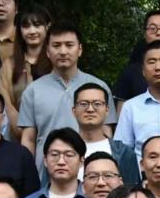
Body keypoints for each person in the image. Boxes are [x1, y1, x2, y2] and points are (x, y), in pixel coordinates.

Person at [18, 22, 112, 165]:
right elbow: (28, 139)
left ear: (79, 49)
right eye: (56, 46)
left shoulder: (99, 87)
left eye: (69, 45)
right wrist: (28, 172)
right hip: (47, 170)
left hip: (90, 169)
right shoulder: (33, 90)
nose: (63, 51)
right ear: (47, 51)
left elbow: (107, 132)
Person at [114, 41, 160, 158]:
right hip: (140, 168)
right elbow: (122, 151)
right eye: (151, 62)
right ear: (143, 70)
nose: (158, 67)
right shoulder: (130, 107)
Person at [70, 82, 141, 184]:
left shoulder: (124, 153)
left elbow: (132, 190)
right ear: (74, 110)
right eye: (83, 104)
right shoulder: (61, 151)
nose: (90, 109)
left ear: (107, 110)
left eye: (97, 104)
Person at [3, 5, 52, 122]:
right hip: (18, 129)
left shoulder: (57, 61)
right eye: (26, 26)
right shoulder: (9, 64)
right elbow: (6, 103)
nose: (32, 31)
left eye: (37, 25)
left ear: (48, 26)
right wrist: (23, 129)